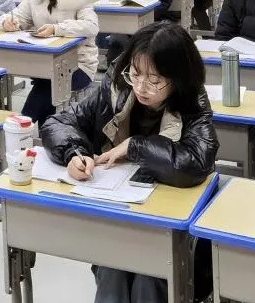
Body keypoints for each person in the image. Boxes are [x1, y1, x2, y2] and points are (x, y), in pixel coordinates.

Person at [40, 22, 218, 303]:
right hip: (118, 214)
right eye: (135, 74)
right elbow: (59, 122)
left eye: (155, 80)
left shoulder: (193, 103)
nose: (141, 87)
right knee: (113, 266)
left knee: (150, 276)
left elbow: (196, 162)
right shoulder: (116, 88)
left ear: (178, 78)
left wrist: (136, 147)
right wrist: (74, 153)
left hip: (166, 223)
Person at [0, 0, 98, 125]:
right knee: (46, 84)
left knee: (47, 85)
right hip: (44, 64)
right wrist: (8, 22)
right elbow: (16, 16)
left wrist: (56, 29)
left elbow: (91, 26)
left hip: (78, 65)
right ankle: (40, 128)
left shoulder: (80, 0)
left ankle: (23, 125)